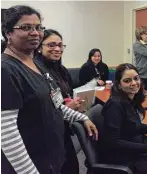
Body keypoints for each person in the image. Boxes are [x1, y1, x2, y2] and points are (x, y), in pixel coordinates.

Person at [1, 5, 98, 174]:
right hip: (31, 164)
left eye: (38, 27)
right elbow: (6, 132)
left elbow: (56, 105)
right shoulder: (6, 69)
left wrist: (82, 117)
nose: (35, 32)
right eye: (26, 27)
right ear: (8, 32)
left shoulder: (37, 65)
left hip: (53, 157)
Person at [35, 29, 83, 174]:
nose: (57, 49)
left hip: (63, 127)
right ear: (39, 47)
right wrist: (67, 107)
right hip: (46, 134)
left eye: (60, 45)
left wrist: (74, 105)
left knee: (71, 167)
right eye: (51, 45)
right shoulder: (36, 71)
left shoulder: (61, 69)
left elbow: (64, 95)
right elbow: (39, 109)